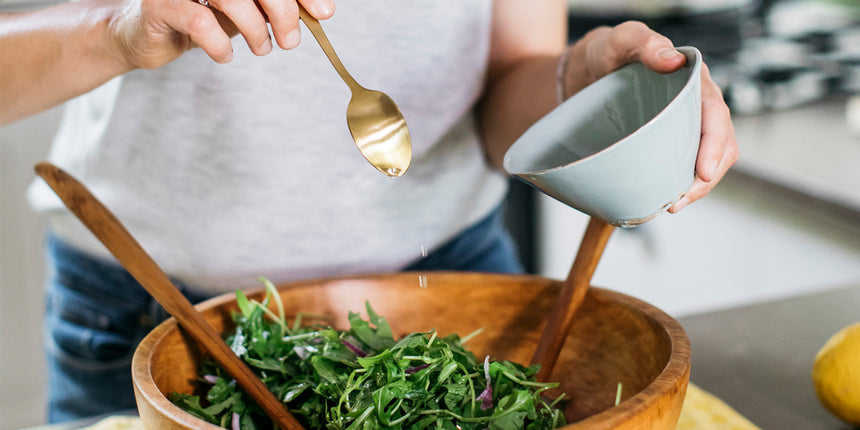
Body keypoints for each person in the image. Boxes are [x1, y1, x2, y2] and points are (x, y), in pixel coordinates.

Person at [1, 0, 738, 423]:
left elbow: (509, 92)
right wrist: (120, 28)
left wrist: (583, 84)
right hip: (166, 322)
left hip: (460, 299)